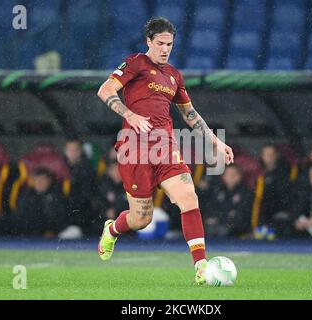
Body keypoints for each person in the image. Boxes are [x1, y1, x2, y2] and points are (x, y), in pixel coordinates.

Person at [96, 17, 234, 284]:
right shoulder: (136, 63)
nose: (165, 49)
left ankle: (201, 267)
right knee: (141, 219)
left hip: (165, 147)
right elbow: (105, 90)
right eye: (159, 43)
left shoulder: (173, 75)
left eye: (169, 44)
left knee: (188, 197)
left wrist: (216, 142)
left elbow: (190, 114)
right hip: (134, 148)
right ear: (149, 41)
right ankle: (112, 229)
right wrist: (130, 114)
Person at [6, 168, 68, 236]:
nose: (39, 182)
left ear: (49, 181)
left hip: (56, 234)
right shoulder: (27, 195)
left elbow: (61, 218)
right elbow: (20, 216)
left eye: (42, 179)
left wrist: (52, 230)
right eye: (37, 179)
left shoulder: (56, 195)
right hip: (29, 233)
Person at [204, 165, 253, 238]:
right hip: (217, 225)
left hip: (236, 228)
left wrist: (220, 218)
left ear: (239, 176)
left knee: (223, 230)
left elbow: (241, 215)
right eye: (227, 175)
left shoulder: (246, 192)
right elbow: (211, 208)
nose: (230, 177)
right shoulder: (218, 190)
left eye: (233, 175)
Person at [63, 137, 98, 235]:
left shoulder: (87, 169)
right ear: (65, 151)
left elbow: (88, 195)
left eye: (76, 150)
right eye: (70, 150)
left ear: (80, 151)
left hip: (82, 215)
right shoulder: (59, 167)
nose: (73, 153)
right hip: (63, 213)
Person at [257, 144, 292, 237]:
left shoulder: (283, 175)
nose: (269, 157)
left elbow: (283, 197)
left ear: (277, 155)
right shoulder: (258, 173)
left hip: (275, 215)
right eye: (266, 154)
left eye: (271, 154)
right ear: (262, 156)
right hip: (259, 213)